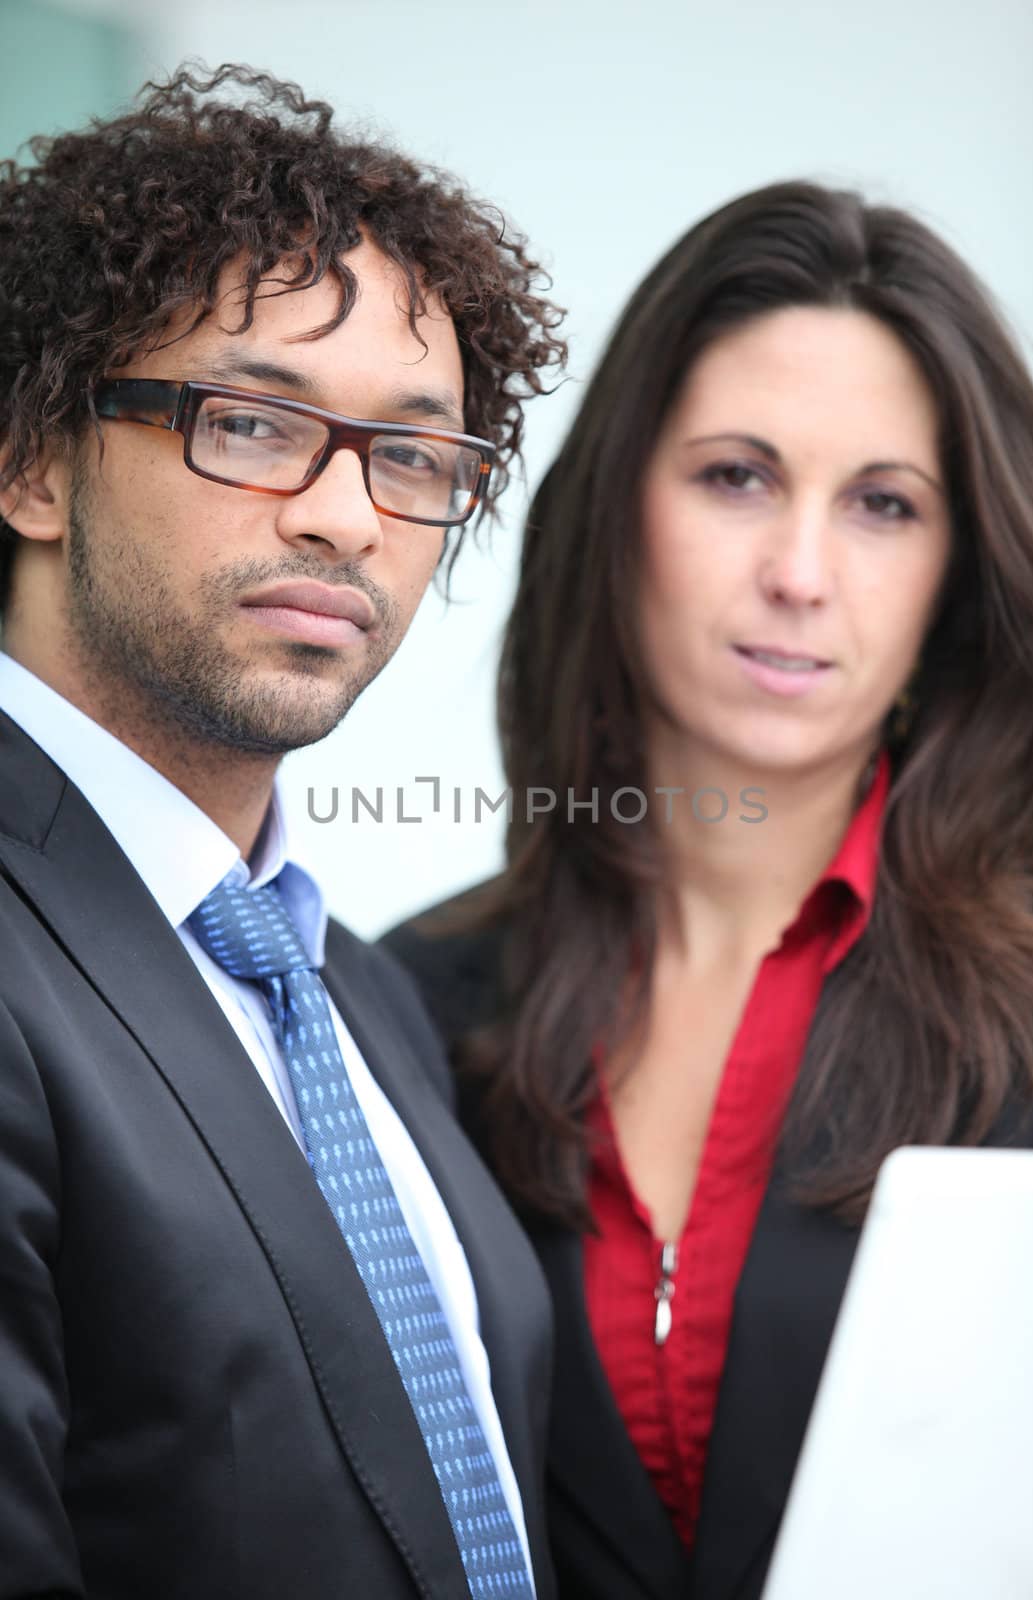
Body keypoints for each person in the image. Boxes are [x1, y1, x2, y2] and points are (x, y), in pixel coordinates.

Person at [382, 180, 1033, 1599]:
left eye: (884, 505)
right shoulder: (405, 1011)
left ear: (956, 566)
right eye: (735, 476)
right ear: (619, 507)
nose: (800, 573)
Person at [0, 63, 566, 1600]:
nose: (344, 517)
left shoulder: (357, 994)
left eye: (411, 455)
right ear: (34, 461)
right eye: (252, 423)